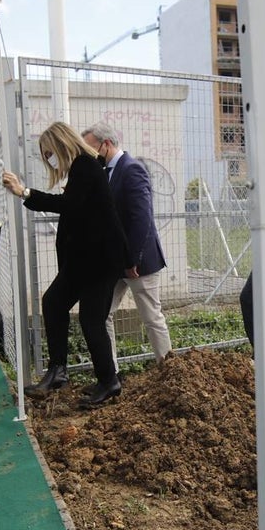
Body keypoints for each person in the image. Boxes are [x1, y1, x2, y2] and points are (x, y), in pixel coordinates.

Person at [1, 122, 129, 409]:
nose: (49, 160)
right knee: (54, 303)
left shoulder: (86, 166)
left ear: (61, 144)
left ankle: (109, 382)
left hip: (99, 263)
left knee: (91, 321)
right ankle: (58, 370)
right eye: (45, 156)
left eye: (49, 153)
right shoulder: (81, 170)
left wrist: (25, 192)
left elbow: (68, 205)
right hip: (83, 263)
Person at [81, 123, 172, 370]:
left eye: (90, 149)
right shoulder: (104, 172)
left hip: (137, 262)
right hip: (115, 262)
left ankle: (170, 373)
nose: (88, 155)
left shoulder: (132, 170)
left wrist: (132, 260)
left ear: (106, 144)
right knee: (102, 315)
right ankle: (111, 374)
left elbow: (141, 219)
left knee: (152, 317)